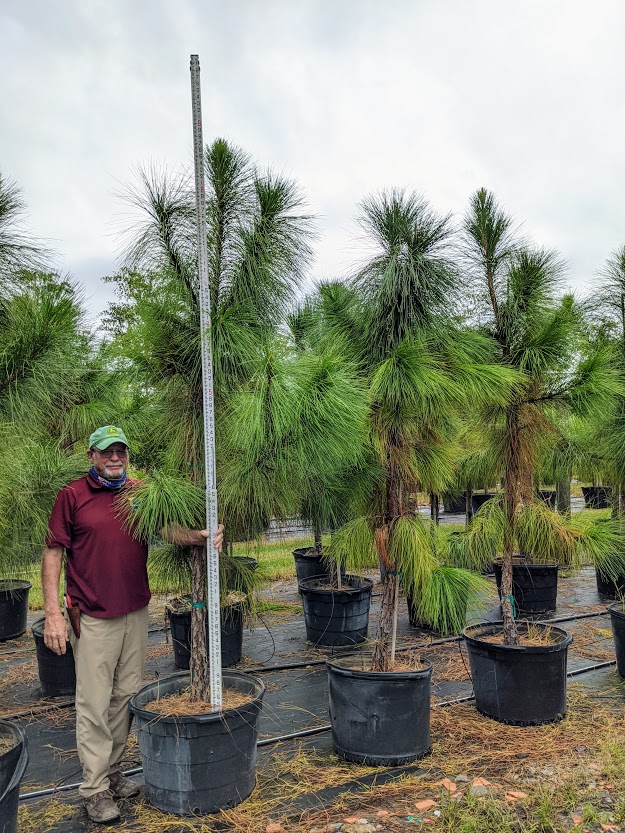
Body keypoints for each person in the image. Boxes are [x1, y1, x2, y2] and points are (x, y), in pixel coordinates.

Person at [42, 425, 223, 824]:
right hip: (92, 616)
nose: (114, 458)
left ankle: (113, 772)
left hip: (135, 611)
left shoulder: (139, 493)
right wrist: (53, 613)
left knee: (126, 696)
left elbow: (166, 531)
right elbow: (53, 553)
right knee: (93, 703)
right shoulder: (72, 496)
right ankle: (93, 789)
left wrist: (199, 536)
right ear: (91, 455)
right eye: (106, 452)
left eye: (121, 451)